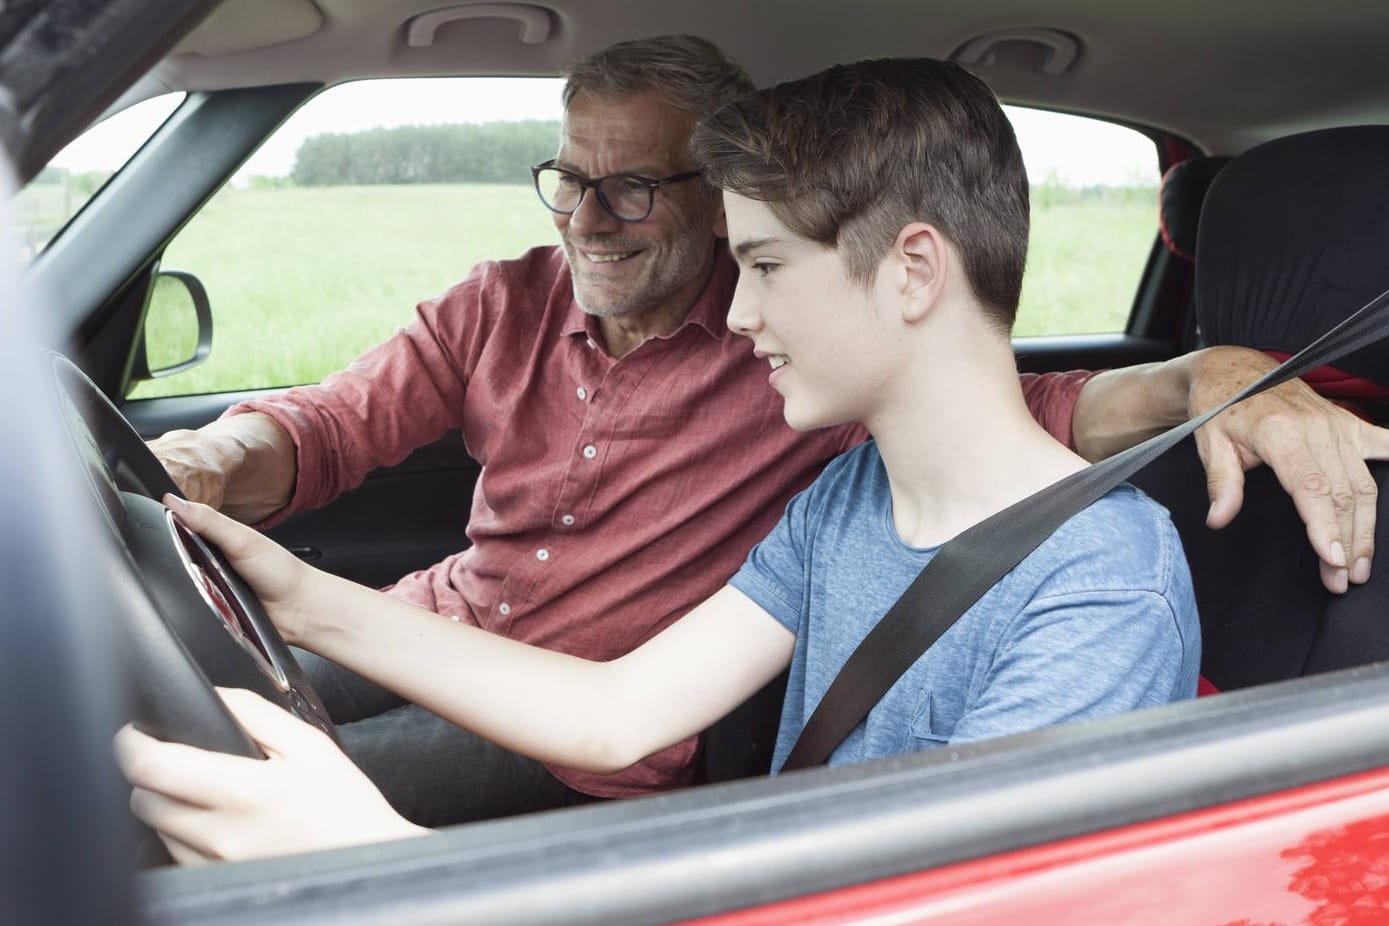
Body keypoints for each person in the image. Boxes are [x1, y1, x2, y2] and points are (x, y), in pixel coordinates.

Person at [145, 35, 1389, 826]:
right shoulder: (840, 507)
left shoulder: (1103, 585)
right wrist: (295, 597)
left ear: (909, 273)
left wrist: (373, 868)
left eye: (764, 265)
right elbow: (618, 709)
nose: (736, 314)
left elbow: (947, 900)